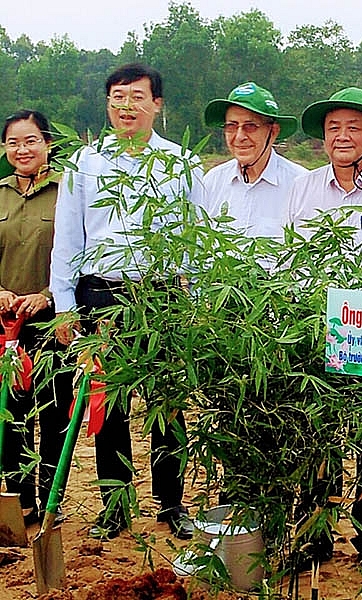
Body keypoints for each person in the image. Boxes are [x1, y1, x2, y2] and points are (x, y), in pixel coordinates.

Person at [50, 63, 204, 541]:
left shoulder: (181, 164)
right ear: (107, 104)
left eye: (137, 97)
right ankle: (115, 505)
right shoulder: (84, 163)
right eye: (118, 97)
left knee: (167, 404)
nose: (126, 106)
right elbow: (67, 239)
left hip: (161, 296)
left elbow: (196, 238)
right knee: (108, 404)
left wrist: (196, 303)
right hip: (101, 295)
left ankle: (171, 502)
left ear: (157, 104)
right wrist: (63, 303)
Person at [284, 86, 362, 578]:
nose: (342, 136)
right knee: (315, 437)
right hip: (315, 330)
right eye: (333, 127)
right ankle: (313, 535)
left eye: (353, 128)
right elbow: (289, 259)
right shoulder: (304, 188)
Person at [0, 110, 72, 527]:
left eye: (31, 140)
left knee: (54, 411)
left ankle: (51, 499)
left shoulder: (68, 191)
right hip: (6, 324)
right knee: (12, 413)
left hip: (51, 321)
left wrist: (47, 296)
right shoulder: (0, 194)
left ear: (48, 143)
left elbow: (78, 253)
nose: (22, 149)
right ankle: (19, 498)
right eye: (13, 142)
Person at [202, 82, 307, 266]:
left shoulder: (301, 184)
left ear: (273, 132)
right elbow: (200, 248)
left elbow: (307, 260)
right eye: (231, 126)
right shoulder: (212, 181)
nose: (239, 136)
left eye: (250, 126)